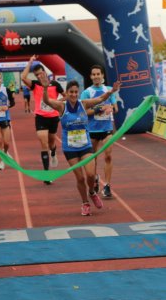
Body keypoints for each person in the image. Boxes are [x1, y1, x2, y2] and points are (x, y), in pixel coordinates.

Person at [42, 79, 121, 215]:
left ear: (78, 93)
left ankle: (92, 192)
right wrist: (44, 88)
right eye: (71, 92)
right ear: (66, 93)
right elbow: (48, 101)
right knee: (80, 178)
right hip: (70, 148)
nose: (73, 94)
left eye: (75, 92)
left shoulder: (83, 104)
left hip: (85, 145)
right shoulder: (62, 106)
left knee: (90, 175)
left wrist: (111, 91)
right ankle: (85, 203)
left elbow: (101, 98)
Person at [21, 55, 65, 184]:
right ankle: (46, 174)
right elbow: (23, 77)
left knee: (51, 144)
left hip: (53, 117)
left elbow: (66, 96)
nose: (39, 76)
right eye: (37, 75)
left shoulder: (55, 84)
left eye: (40, 74)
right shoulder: (35, 85)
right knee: (44, 144)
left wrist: (58, 102)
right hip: (40, 118)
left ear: (44, 73)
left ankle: (53, 152)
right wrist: (29, 62)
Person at [80, 64, 118, 198]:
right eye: (94, 74)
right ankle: (95, 178)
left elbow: (115, 108)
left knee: (108, 155)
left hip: (107, 129)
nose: (96, 76)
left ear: (102, 75)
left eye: (98, 74)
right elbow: (83, 112)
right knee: (93, 158)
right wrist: (98, 109)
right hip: (92, 130)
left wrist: (111, 109)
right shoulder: (86, 92)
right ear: (91, 77)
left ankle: (107, 185)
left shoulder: (108, 90)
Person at [0, 71, 15, 170]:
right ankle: (2, 161)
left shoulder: (6, 90)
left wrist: (7, 106)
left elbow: (13, 102)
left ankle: (5, 153)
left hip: (5, 118)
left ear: (1, 79)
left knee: (6, 143)